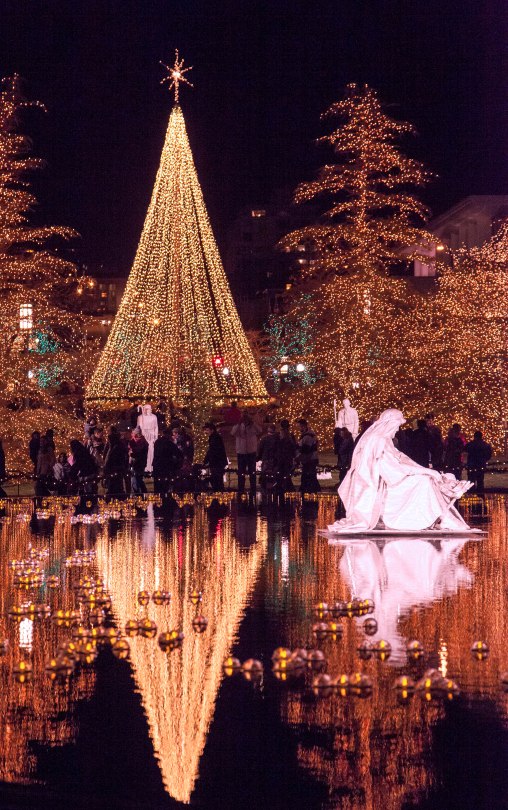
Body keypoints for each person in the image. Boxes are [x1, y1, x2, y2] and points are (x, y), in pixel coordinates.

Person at [327, 409, 473, 533]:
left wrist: (425, 470)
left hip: (390, 477)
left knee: (427, 479)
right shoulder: (378, 440)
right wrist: (426, 472)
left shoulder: (382, 439)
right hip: (385, 482)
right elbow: (392, 469)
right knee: (424, 481)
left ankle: (444, 517)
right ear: (390, 424)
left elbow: (401, 460)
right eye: (397, 425)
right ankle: (445, 517)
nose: (398, 429)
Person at [231, 411, 260, 493]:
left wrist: (253, 423)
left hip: (251, 452)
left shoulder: (253, 426)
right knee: (241, 473)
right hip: (241, 452)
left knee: (252, 472)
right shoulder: (238, 426)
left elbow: (259, 430)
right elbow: (233, 432)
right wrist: (239, 423)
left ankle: (253, 489)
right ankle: (241, 489)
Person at [153, 427, 184, 496]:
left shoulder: (157, 442)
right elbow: (178, 453)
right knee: (164, 485)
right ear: (169, 435)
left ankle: (157, 501)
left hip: (157, 465)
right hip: (165, 466)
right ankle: (165, 500)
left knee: (157, 485)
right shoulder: (169, 443)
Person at [296, 418, 320, 494]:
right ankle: (310, 490)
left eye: (300, 426)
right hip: (310, 459)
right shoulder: (309, 435)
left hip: (309, 459)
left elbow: (306, 450)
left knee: (308, 476)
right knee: (311, 476)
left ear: (304, 426)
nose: (299, 428)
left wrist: (299, 456)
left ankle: (308, 491)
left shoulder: (307, 436)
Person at [203, 422, 228, 492]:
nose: (206, 432)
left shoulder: (215, 438)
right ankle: (219, 493)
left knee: (217, 480)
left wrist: (206, 460)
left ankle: (219, 494)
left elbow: (212, 451)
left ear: (212, 430)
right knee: (217, 480)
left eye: (207, 430)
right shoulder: (214, 437)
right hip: (217, 462)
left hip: (217, 462)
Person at [103, 432, 128, 496]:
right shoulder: (112, 447)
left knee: (116, 488)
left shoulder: (117, 447)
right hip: (113, 471)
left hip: (115, 471)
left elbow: (113, 459)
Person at [257, 424, 280, 491]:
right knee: (274, 475)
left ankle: (265, 489)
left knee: (265, 475)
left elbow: (260, 449)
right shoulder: (278, 438)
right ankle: (274, 488)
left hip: (266, 459)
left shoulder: (264, 439)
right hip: (275, 460)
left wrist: (258, 457)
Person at [137, 404, 159, 472]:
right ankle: (145, 466)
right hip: (144, 436)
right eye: (145, 409)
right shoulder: (140, 417)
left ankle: (150, 466)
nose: (146, 411)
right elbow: (138, 427)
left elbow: (156, 427)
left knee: (151, 451)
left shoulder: (154, 417)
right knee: (145, 451)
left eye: (148, 409)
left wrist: (156, 436)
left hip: (151, 435)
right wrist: (141, 431)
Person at [277, 419, 297, 492]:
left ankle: (285, 488)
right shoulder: (290, 435)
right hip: (287, 457)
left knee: (284, 474)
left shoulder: (280, 435)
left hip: (284, 457)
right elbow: (294, 447)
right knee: (286, 474)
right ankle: (287, 488)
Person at [129, 428, 149, 494]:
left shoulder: (142, 442)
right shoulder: (134, 441)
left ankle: (142, 493)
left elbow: (139, 453)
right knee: (135, 479)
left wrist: (132, 453)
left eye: (133, 433)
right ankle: (139, 493)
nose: (132, 435)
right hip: (135, 463)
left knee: (138, 479)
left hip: (139, 463)